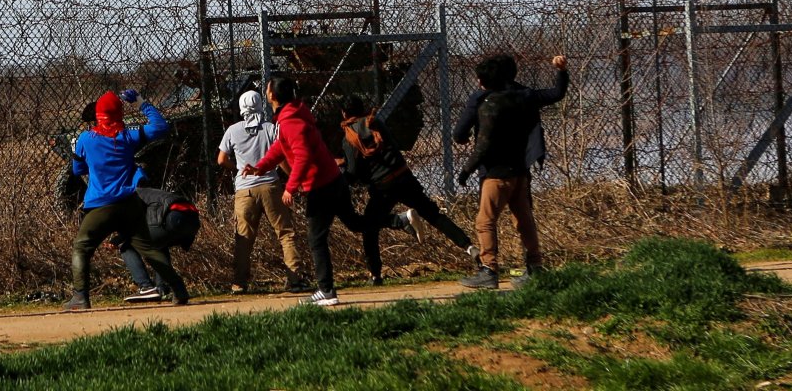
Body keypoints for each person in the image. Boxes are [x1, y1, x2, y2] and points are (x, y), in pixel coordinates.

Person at [243, 76, 415, 307]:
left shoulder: (290, 121)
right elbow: (281, 147)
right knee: (354, 222)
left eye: (267, 89)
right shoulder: (292, 115)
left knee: (316, 239)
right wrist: (260, 167)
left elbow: (302, 157)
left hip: (320, 187)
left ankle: (326, 290)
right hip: (334, 180)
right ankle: (399, 220)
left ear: (273, 95)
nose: (266, 92)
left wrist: (290, 188)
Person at [66, 89, 190, 310]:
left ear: (98, 114)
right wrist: (141, 102)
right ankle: (179, 290)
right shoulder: (127, 136)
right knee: (149, 248)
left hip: (101, 205)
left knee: (82, 246)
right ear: (119, 114)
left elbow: (77, 170)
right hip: (130, 202)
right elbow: (160, 127)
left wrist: (87, 160)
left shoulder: (85, 139)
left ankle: (80, 297)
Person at [339, 96, 480, 285]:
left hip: (382, 186)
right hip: (403, 176)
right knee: (433, 214)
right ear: (363, 109)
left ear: (344, 113)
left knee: (369, 228)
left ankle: (375, 274)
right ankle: (469, 247)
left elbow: (353, 172)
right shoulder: (376, 122)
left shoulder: (349, 137)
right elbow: (393, 145)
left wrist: (342, 171)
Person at [456, 55, 569, 290]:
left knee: (485, 221)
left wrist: (466, 170)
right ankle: (535, 267)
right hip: (520, 171)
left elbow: (473, 140)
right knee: (525, 220)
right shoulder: (525, 96)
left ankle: (488, 270)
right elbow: (557, 93)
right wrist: (561, 71)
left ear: (486, 80)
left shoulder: (485, 101)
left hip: (496, 173)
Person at [217, 89, 309, 294]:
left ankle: (239, 283)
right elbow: (282, 155)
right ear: (261, 105)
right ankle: (295, 279)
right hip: (270, 186)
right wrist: (294, 178)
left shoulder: (232, 130)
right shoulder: (270, 128)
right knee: (285, 233)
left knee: (243, 237)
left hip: (244, 189)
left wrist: (238, 169)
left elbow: (221, 159)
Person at [111, 186, 201, 302]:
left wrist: (118, 239)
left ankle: (146, 287)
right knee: (158, 245)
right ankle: (161, 288)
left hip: (172, 215)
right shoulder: (145, 191)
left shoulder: (127, 194)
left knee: (127, 246)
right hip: (192, 217)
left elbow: (133, 223)